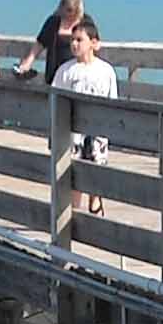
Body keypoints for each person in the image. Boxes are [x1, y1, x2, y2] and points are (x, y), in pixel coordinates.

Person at [50, 17, 116, 214]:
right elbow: (55, 98)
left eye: (80, 40)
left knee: (96, 167)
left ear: (94, 43)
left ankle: (96, 204)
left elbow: (112, 100)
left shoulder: (105, 70)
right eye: (72, 40)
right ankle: (74, 211)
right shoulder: (65, 70)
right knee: (75, 171)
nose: (74, 44)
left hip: (98, 129)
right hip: (73, 131)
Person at [15, 0, 87, 84]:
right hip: (54, 77)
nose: (69, 17)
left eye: (73, 13)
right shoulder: (53, 22)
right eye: (67, 12)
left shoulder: (86, 23)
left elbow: (92, 45)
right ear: (62, 8)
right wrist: (28, 62)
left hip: (78, 77)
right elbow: (40, 43)